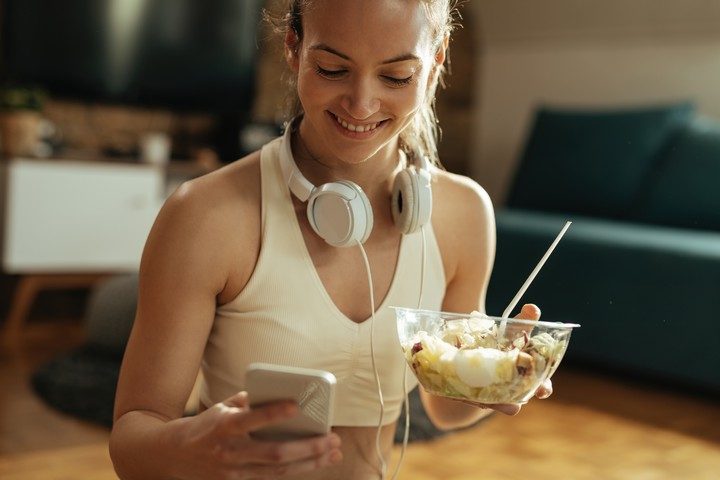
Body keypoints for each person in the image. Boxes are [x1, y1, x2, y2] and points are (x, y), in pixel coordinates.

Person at [109, 1, 552, 479]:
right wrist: (190, 448)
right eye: (333, 68)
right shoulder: (205, 215)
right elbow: (133, 439)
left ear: (437, 59)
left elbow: (446, 408)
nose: (361, 104)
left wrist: (501, 380)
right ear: (294, 49)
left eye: (397, 76)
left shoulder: (463, 214)